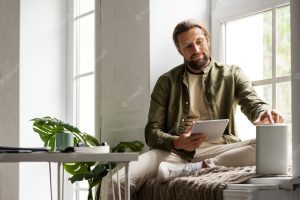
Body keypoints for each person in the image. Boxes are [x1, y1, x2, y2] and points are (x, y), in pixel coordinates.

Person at [107, 19, 283, 200]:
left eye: (199, 42)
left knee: (265, 145)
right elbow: (151, 133)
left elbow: (252, 101)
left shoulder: (232, 74)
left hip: (220, 149)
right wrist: (177, 142)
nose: (196, 50)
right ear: (179, 50)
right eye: (188, 46)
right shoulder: (166, 81)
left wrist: (262, 112)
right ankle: (186, 165)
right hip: (173, 153)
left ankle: (198, 167)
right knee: (116, 182)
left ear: (207, 40)